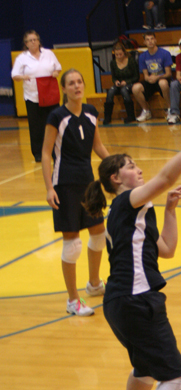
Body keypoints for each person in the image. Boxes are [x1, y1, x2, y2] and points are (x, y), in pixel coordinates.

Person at [83, 105, 181, 390]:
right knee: (174, 375)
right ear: (116, 179)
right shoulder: (126, 201)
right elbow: (166, 178)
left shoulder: (134, 217)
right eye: (130, 166)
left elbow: (167, 249)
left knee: (144, 371)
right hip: (136, 300)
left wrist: (170, 210)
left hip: (120, 303)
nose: (139, 169)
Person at [41, 69, 110, 316]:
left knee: (99, 233)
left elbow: (98, 146)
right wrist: (49, 188)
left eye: (79, 82)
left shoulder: (91, 113)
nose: (76, 86)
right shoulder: (57, 116)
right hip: (64, 184)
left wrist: (117, 164)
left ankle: (93, 284)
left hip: (88, 183)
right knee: (72, 245)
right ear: (64, 89)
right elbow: (46, 153)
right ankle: (72, 301)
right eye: (71, 83)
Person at [11, 30, 62, 162]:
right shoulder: (22, 58)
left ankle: (56, 150)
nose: (33, 42)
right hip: (33, 96)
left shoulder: (48, 53)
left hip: (50, 93)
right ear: (26, 44)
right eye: (30, 40)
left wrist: (56, 72)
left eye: (35, 39)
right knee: (36, 126)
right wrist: (23, 76)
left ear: (39, 41)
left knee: (54, 123)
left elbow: (58, 67)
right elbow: (14, 75)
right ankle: (38, 152)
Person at [132, 32, 173, 122]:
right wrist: (148, 78)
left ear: (155, 40)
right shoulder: (142, 56)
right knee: (135, 88)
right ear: (144, 42)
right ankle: (146, 111)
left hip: (162, 79)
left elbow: (168, 73)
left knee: (163, 83)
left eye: (152, 39)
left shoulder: (165, 53)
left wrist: (157, 77)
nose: (150, 41)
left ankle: (170, 110)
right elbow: (145, 75)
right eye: (147, 39)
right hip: (150, 81)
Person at [103, 42, 139, 125]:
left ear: (124, 53)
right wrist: (116, 81)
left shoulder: (131, 61)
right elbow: (114, 77)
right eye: (117, 55)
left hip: (130, 83)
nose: (119, 56)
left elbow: (136, 77)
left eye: (120, 54)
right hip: (119, 84)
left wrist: (126, 82)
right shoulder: (113, 63)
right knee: (111, 91)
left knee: (124, 90)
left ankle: (131, 115)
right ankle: (107, 117)